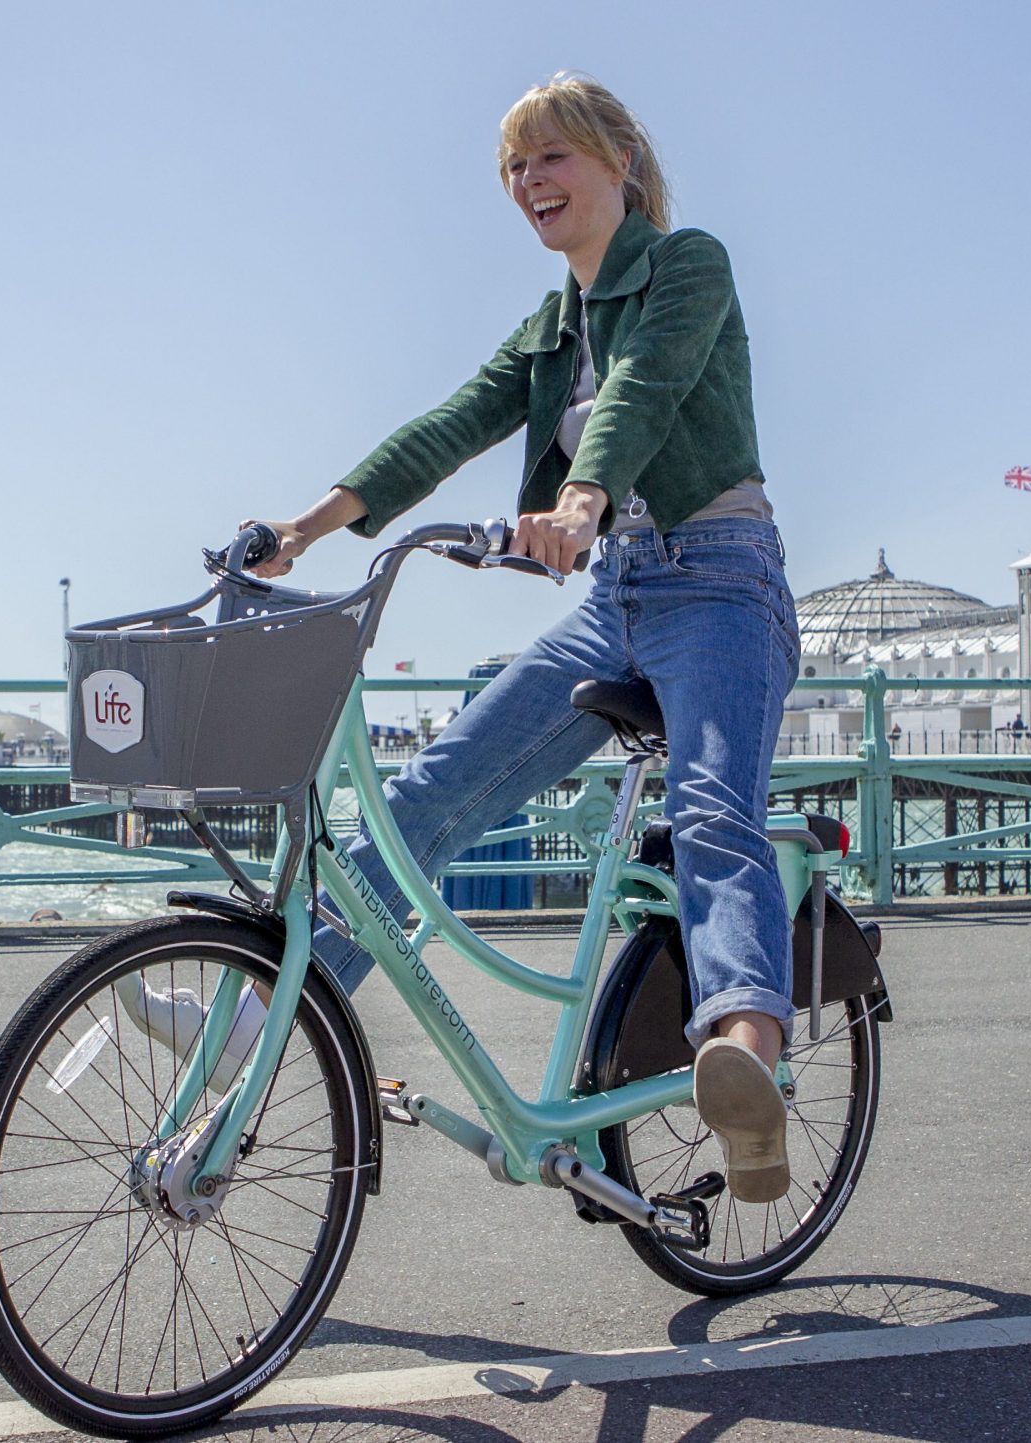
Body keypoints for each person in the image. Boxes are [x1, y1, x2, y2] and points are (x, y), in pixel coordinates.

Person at [152, 74, 799, 1203]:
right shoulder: (552, 324)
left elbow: (647, 388)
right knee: (426, 797)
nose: (529, 182)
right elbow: (450, 422)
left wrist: (585, 497)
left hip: (722, 585)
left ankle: (745, 1058)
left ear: (617, 165)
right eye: (514, 168)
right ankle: (255, 1019)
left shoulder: (686, 264)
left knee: (709, 807)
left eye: (550, 157)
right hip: (617, 600)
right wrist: (301, 530)